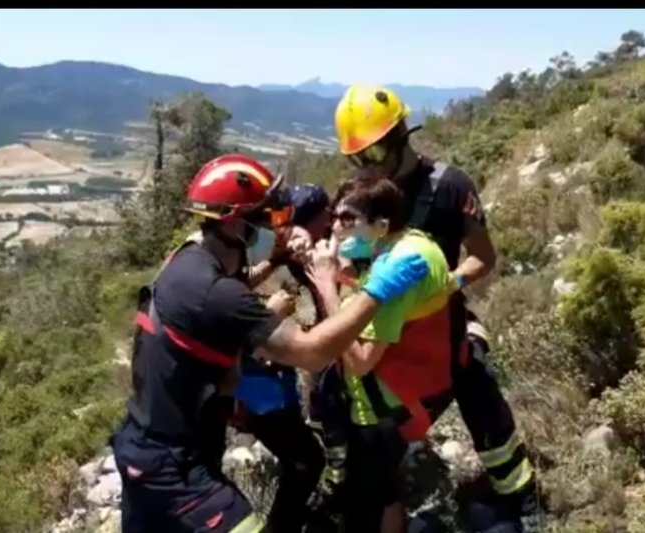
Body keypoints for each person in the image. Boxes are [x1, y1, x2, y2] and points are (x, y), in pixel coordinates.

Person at [110, 153, 432, 533]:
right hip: (175, 464)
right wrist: (376, 292)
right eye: (265, 217)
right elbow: (311, 353)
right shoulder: (217, 291)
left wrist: (277, 257)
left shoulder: (186, 262)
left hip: (146, 444)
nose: (274, 226)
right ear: (234, 224)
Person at [333, 85, 541, 532]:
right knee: (366, 421)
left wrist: (449, 283)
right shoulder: (364, 195)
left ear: (401, 133)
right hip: (383, 324)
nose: (369, 165)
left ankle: (519, 493)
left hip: (441, 320)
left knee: (481, 397)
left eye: (375, 151)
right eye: (359, 159)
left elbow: (483, 256)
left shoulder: (448, 187)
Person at [306, 174, 464, 533]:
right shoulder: (415, 244)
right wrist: (346, 273)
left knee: (371, 497)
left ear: (381, 224)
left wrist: (327, 288)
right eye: (335, 218)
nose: (337, 229)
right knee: (385, 488)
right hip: (405, 389)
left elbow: (361, 361)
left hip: (381, 404)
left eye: (348, 221)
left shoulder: (397, 269)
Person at [230, 183, 331, 533]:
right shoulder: (218, 269)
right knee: (306, 460)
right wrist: (272, 317)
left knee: (301, 452)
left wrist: (275, 260)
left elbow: (243, 282)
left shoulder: (220, 259)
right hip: (254, 377)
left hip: (259, 374)